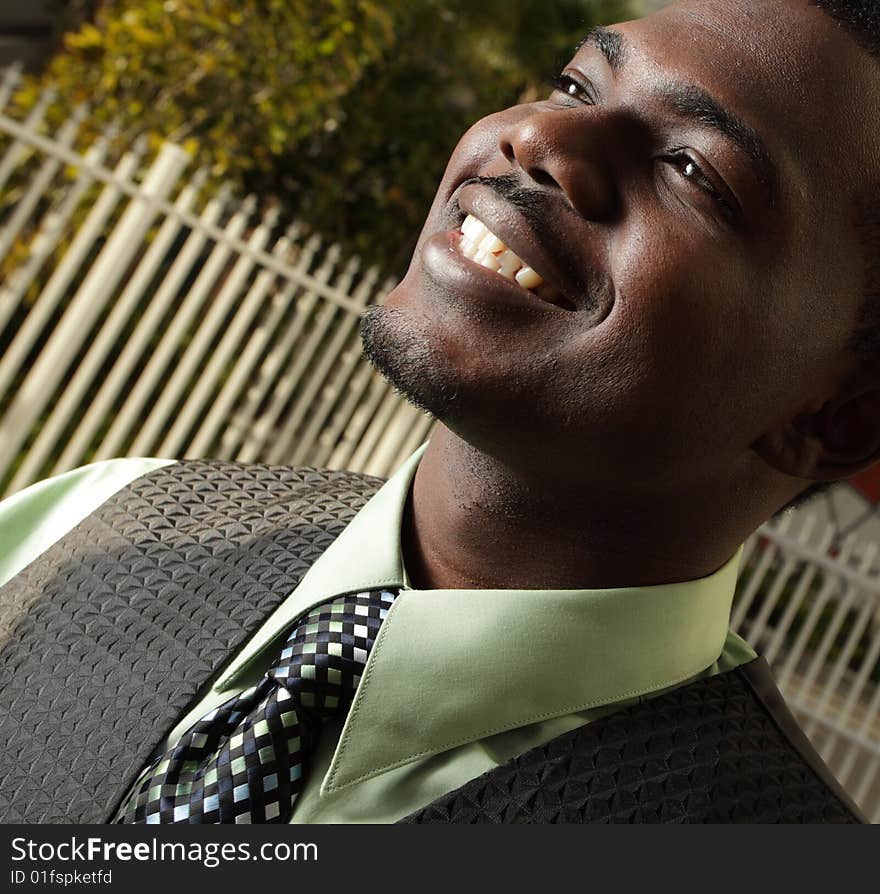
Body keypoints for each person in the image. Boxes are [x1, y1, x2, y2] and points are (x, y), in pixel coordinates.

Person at [0, 0, 876, 824]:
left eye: (691, 169)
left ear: (839, 418)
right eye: (575, 86)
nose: (536, 135)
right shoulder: (89, 521)